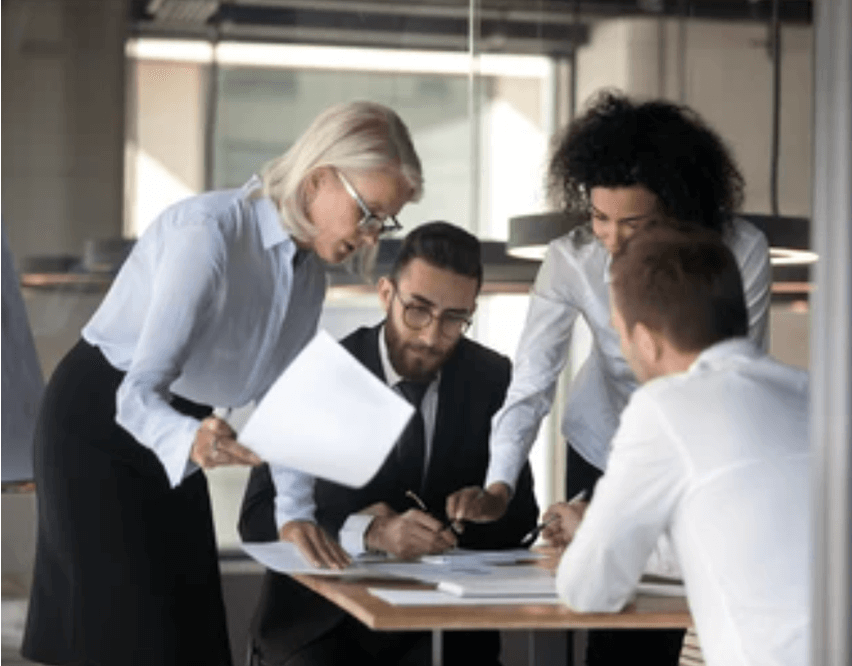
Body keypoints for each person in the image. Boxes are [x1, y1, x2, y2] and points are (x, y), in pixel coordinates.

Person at [22, 100, 423, 666]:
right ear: (319, 181)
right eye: (369, 213)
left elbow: (285, 406)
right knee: (123, 638)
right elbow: (136, 395)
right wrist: (192, 438)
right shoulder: (207, 234)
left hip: (181, 428)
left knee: (191, 633)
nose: (372, 236)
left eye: (386, 220)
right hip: (99, 423)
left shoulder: (305, 278)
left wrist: (295, 513)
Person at [446, 90, 772, 664]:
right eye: (600, 218)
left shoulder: (740, 251)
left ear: (677, 211)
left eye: (635, 223)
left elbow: (731, 379)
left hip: (694, 442)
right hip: (605, 449)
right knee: (611, 619)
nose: (613, 240)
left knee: (682, 600)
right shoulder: (570, 259)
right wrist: (500, 484)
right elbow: (531, 381)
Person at [238, 221, 539, 666]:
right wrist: (369, 533)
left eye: (455, 318)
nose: (432, 336)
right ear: (385, 294)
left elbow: (520, 517)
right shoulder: (318, 373)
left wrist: (486, 508)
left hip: (443, 626)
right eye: (417, 310)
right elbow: (259, 517)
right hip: (324, 627)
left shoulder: (492, 378)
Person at [546, 223, 810, 666]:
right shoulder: (808, 391)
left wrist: (595, 535)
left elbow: (588, 589)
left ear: (646, 342)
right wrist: (596, 527)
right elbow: (736, 536)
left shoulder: (665, 406)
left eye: (619, 332)